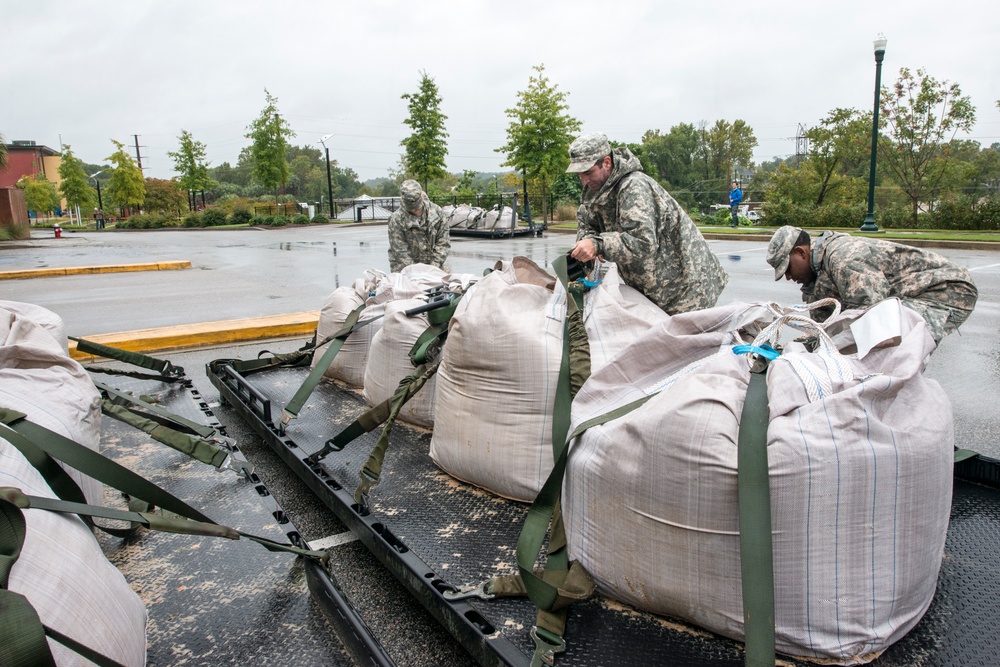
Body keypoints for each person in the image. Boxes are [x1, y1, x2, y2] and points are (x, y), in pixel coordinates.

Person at [567, 132, 728, 314]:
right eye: (579, 174)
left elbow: (642, 242)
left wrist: (598, 244)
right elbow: (586, 224)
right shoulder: (594, 193)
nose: (584, 181)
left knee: (684, 339)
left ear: (606, 163)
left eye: (588, 172)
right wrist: (588, 242)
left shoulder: (634, 186)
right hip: (652, 287)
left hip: (684, 286)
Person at [766, 225, 978, 344]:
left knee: (886, 342)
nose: (788, 277)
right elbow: (825, 327)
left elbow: (872, 314)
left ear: (801, 252)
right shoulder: (819, 277)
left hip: (944, 291)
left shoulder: (844, 257)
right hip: (911, 295)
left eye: (788, 269)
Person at [387, 179, 450, 273]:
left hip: (435, 266)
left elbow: (443, 243)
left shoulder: (437, 213)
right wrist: (417, 274)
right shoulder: (396, 219)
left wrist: (433, 268)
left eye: (417, 208)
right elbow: (400, 252)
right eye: (411, 209)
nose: (415, 211)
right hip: (405, 268)